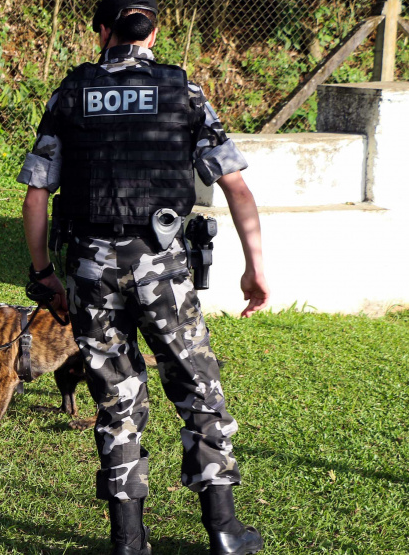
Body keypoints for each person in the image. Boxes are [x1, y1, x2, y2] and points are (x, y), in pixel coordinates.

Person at [19, 1, 270, 554]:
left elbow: (37, 194)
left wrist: (42, 273)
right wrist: (254, 267)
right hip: (163, 265)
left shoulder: (71, 93)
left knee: (115, 398)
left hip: (89, 267)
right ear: (154, 30)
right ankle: (224, 531)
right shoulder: (183, 91)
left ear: (102, 31)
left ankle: (128, 542)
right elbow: (236, 187)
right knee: (197, 386)